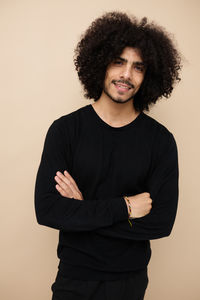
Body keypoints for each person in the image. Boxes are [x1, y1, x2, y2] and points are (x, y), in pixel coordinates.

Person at [34, 11, 181, 300]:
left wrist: (82, 210)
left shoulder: (161, 141)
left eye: (138, 67)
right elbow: (48, 210)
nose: (126, 74)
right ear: (101, 63)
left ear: (148, 76)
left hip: (130, 281)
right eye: (118, 62)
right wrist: (124, 208)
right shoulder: (65, 131)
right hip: (74, 277)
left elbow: (161, 222)